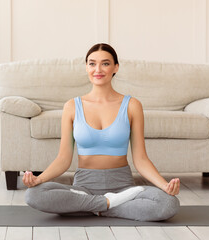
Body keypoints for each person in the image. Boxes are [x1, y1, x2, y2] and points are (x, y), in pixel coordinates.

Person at [23, 43, 180, 221]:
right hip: (83, 187)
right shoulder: (72, 106)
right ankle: (108, 204)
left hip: (123, 187)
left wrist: (164, 185)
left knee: (168, 203)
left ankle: (91, 207)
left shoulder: (132, 105)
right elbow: (63, 159)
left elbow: (141, 159)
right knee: (33, 195)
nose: (98, 69)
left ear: (116, 67)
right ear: (86, 67)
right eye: (92, 63)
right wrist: (39, 180)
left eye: (105, 63)